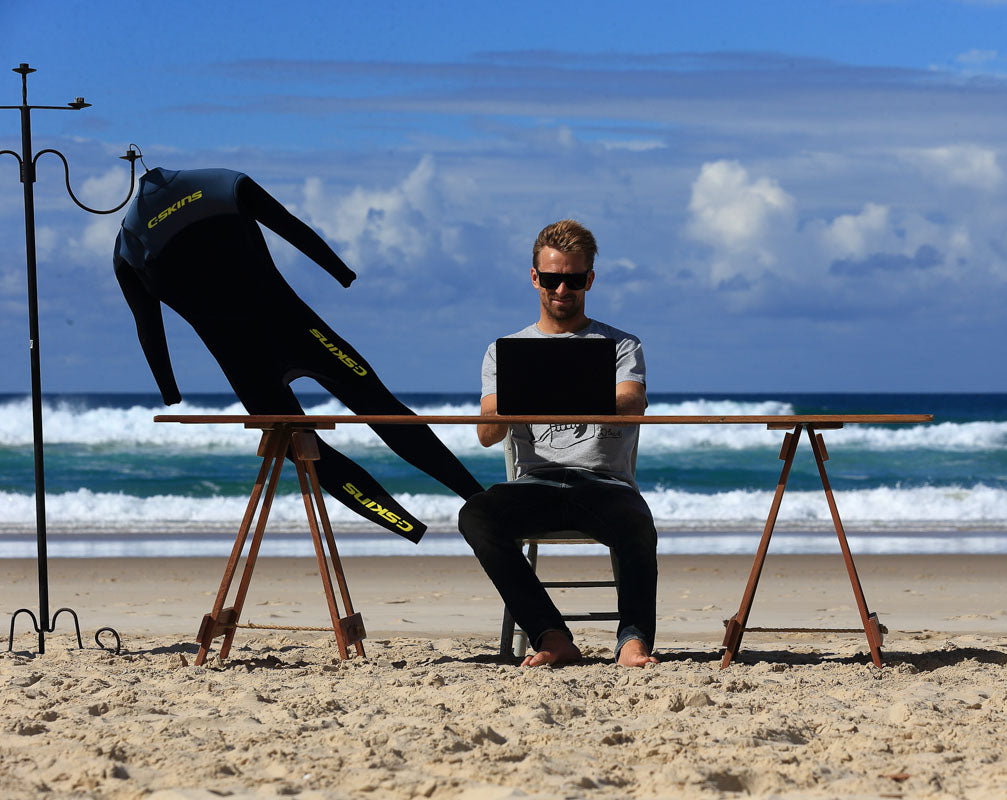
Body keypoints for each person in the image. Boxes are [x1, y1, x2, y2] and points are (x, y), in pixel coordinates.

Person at [114, 167, 483, 540]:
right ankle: (478, 499)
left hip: (244, 366)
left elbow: (147, 325)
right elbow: (288, 225)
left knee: (305, 449)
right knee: (384, 410)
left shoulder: (129, 245)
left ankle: (406, 526)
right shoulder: (221, 185)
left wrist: (169, 390)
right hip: (300, 330)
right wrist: (340, 271)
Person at [458, 219, 659, 668]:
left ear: (590, 279)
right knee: (475, 515)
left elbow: (632, 402)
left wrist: (549, 393)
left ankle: (632, 640)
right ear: (535, 278)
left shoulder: (621, 345)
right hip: (536, 484)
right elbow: (487, 434)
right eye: (551, 279)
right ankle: (550, 634)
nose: (562, 289)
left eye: (573, 279)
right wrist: (526, 398)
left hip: (604, 485)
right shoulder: (506, 349)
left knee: (636, 519)